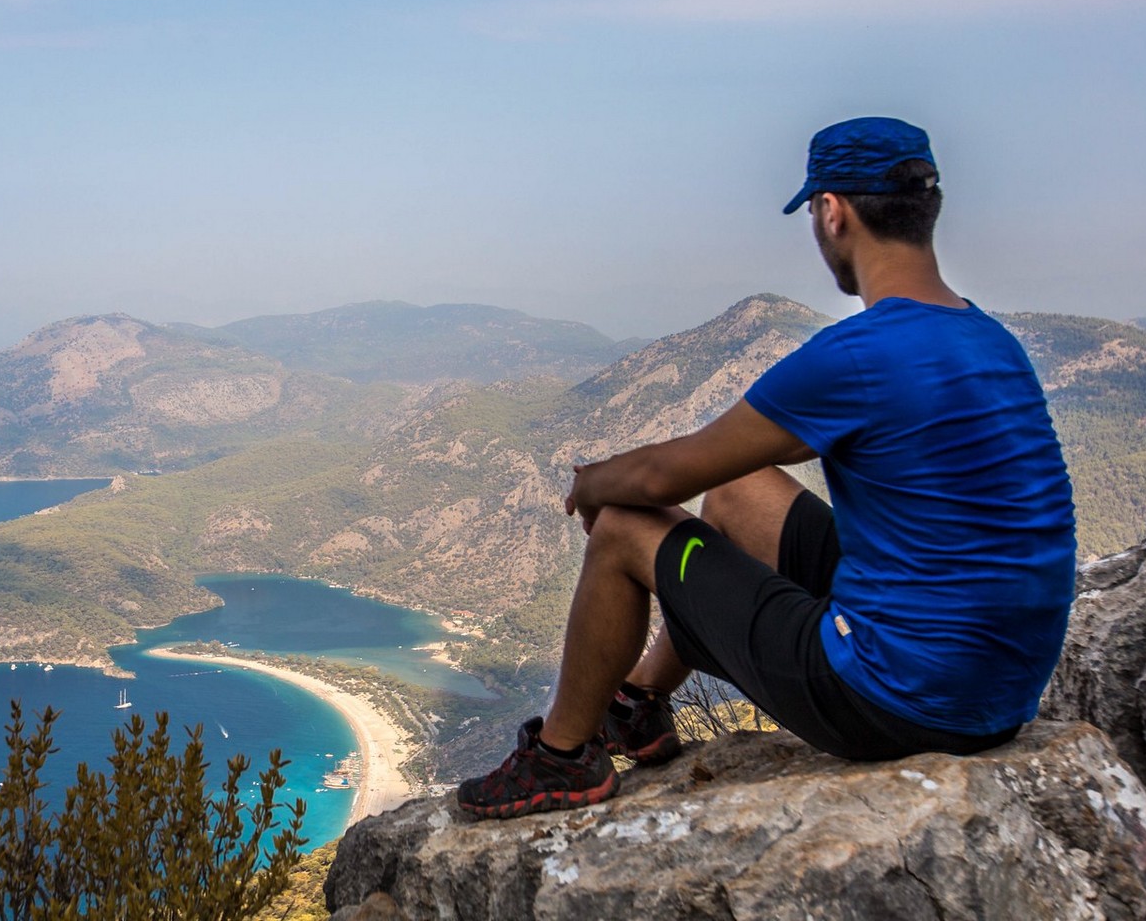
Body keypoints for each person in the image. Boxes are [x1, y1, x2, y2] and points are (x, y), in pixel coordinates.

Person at [456, 117, 1078, 820]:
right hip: (1000, 689)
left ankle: (561, 759)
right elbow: (728, 465)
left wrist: (593, 486)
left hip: (898, 700)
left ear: (832, 211)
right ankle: (637, 701)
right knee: (738, 491)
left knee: (627, 525)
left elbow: (663, 479)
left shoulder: (860, 355)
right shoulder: (991, 340)